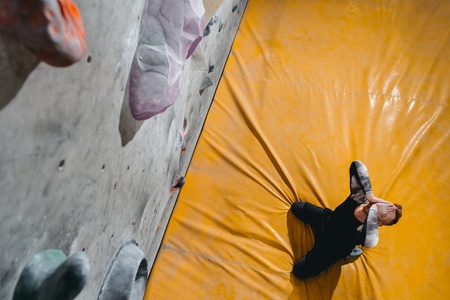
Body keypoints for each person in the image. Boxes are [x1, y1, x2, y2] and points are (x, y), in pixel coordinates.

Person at [291, 160, 403, 279]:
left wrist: (375, 207)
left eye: (382, 215)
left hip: (330, 249)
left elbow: (370, 242)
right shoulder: (359, 198)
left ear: (378, 224)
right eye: (383, 206)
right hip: (325, 220)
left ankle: (349, 252)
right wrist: (371, 197)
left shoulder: (365, 230)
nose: (380, 209)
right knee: (296, 207)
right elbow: (357, 165)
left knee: (299, 271)